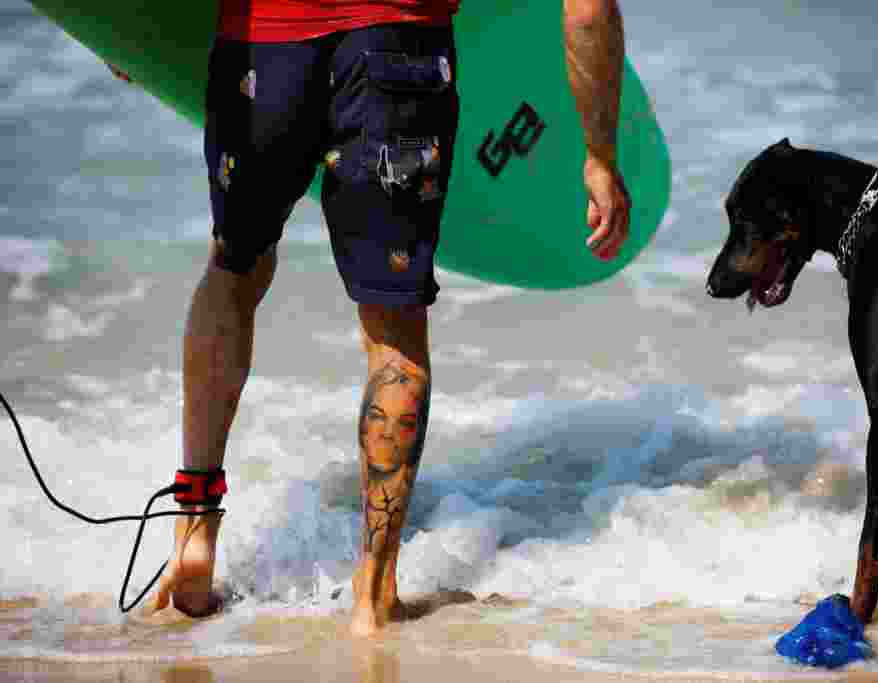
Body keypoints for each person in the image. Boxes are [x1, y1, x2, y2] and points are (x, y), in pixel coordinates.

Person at [129, 0, 632, 636]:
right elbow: (587, 10)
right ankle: (373, 594)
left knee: (233, 274)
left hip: (263, 54)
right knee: (394, 332)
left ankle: (195, 531)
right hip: (400, 57)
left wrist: (132, 35)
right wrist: (599, 155)